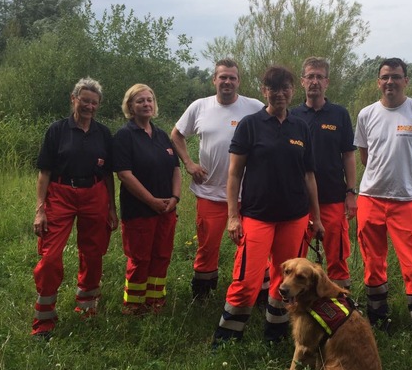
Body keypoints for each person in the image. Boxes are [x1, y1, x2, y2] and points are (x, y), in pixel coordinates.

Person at [213, 65, 325, 346]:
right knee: (247, 280)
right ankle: (226, 339)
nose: (280, 93)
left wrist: (317, 217)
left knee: (285, 280)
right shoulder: (250, 125)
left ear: (292, 90)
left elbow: (309, 175)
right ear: (264, 91)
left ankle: (275, 335)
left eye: (285, 87)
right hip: (257, 216)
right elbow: (234, 174)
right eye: (273, 88)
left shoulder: (301, 127)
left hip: (295, 217)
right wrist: (233, 216)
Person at [354, 57, 412, 352]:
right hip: (370, 199)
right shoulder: (366, 114)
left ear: (406, 80)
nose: (389, 82)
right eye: (384, 77)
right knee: (373, 263)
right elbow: (366, 158)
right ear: (378, 82)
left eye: (395, 76)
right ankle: (378, 320)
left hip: (407, 202)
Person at [170, 59, 266, 301]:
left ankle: (250, 292)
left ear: (239, 82)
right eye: (222, 77)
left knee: (249, 247)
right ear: (214, 80)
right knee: (207, 246)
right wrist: (190, 164)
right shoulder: (199, 107)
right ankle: (202, 293)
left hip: (248, 193)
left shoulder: (254, 107)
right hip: (209, 192)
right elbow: (176, 135)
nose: (227, 81)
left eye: (232, 77)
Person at [32, 77, 118, 340]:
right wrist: (40, 209)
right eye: (84, 100)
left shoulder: (103, 133)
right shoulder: (57, 130)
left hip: (95, 194)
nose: (89, 106)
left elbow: (107, 175)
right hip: (60, 194)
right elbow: (44, 172)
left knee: (93, 253)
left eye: (94, 102)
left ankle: (87, 308)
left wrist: (111, 208)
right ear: (73, 100)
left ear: (98, 105)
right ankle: (44, 319)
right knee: (50, 256)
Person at [113, 84, 181, 316]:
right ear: (130, 106)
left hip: (166, 209)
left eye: (149, 100)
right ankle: (133, 305)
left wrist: (175, 197)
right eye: (140, 101)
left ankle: (155, 302)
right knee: (140, 258)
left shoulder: (162, 135)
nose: (146, 104)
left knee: (162, 256)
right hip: (139, 210)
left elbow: (175, 169)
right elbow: (124, 173)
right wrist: (151, 200)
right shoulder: (125, 136)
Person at [292, 57, 357, 290]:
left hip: (333, 197)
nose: (315, 82)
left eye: (320, 77)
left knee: (337, 256)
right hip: (299, 200)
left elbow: (349, 155)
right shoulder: (292, 115)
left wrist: (351, 192)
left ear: (327, 82)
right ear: (302, 82)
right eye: (310, 76)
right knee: (297, 257)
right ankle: (296, 304)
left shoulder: (339, 114)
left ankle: (341, 303)